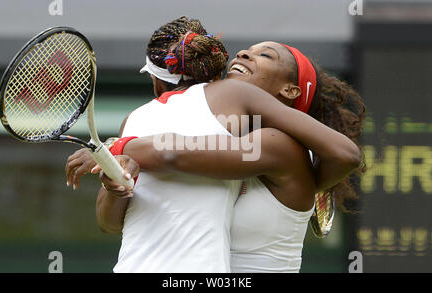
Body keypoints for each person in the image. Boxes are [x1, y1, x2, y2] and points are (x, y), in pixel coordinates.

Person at [66, 17, 365, 272]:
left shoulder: (281, 146)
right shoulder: (219, 133)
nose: (244, 54)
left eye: (266, 56)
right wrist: (115, 183)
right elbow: (114, 221)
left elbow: (172, 152)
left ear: (290, 90)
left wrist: (115, 147)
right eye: (246, 51)